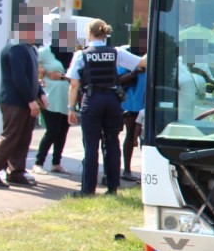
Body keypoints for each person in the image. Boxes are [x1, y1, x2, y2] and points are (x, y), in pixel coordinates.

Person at [65, 19, 144, 196]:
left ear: (89, 33)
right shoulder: (116, 52)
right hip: (113, 100)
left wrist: (71, 108)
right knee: (112, 143)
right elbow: (141, 63)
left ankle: (88, 189)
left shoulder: (82, 55)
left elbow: (74, 84)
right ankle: (112, 187)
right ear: (105, 34)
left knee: (91, 145)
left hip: (92, 100)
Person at [0, 8, 46, 188]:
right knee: (11, 136)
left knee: (23, 137)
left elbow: (31, 76)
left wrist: (40, 93)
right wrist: (31, 100)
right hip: (14, 101)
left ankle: (16, 172)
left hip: (24, 101)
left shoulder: (29, 48)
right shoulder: (15, 47)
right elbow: (19, 77)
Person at [33, 18, 78, 175]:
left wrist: (62, 77)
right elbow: (32, 64)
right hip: (50, 97)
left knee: (63, 131)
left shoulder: (73, 54)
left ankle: (56, 163)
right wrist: (44, 73)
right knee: (52, 130)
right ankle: (38, 162)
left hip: (67, 98)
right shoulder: (46, 52)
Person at [116, 27, 147, 183]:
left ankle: (145, 170)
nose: (144, 44)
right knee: (130, 136)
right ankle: (126, 170)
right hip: (129, 103)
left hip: (145, 102)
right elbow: (119, 79)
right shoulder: (127, 55)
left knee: (144, 138)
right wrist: (135, 72)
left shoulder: (149, 55)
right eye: (141, 40)